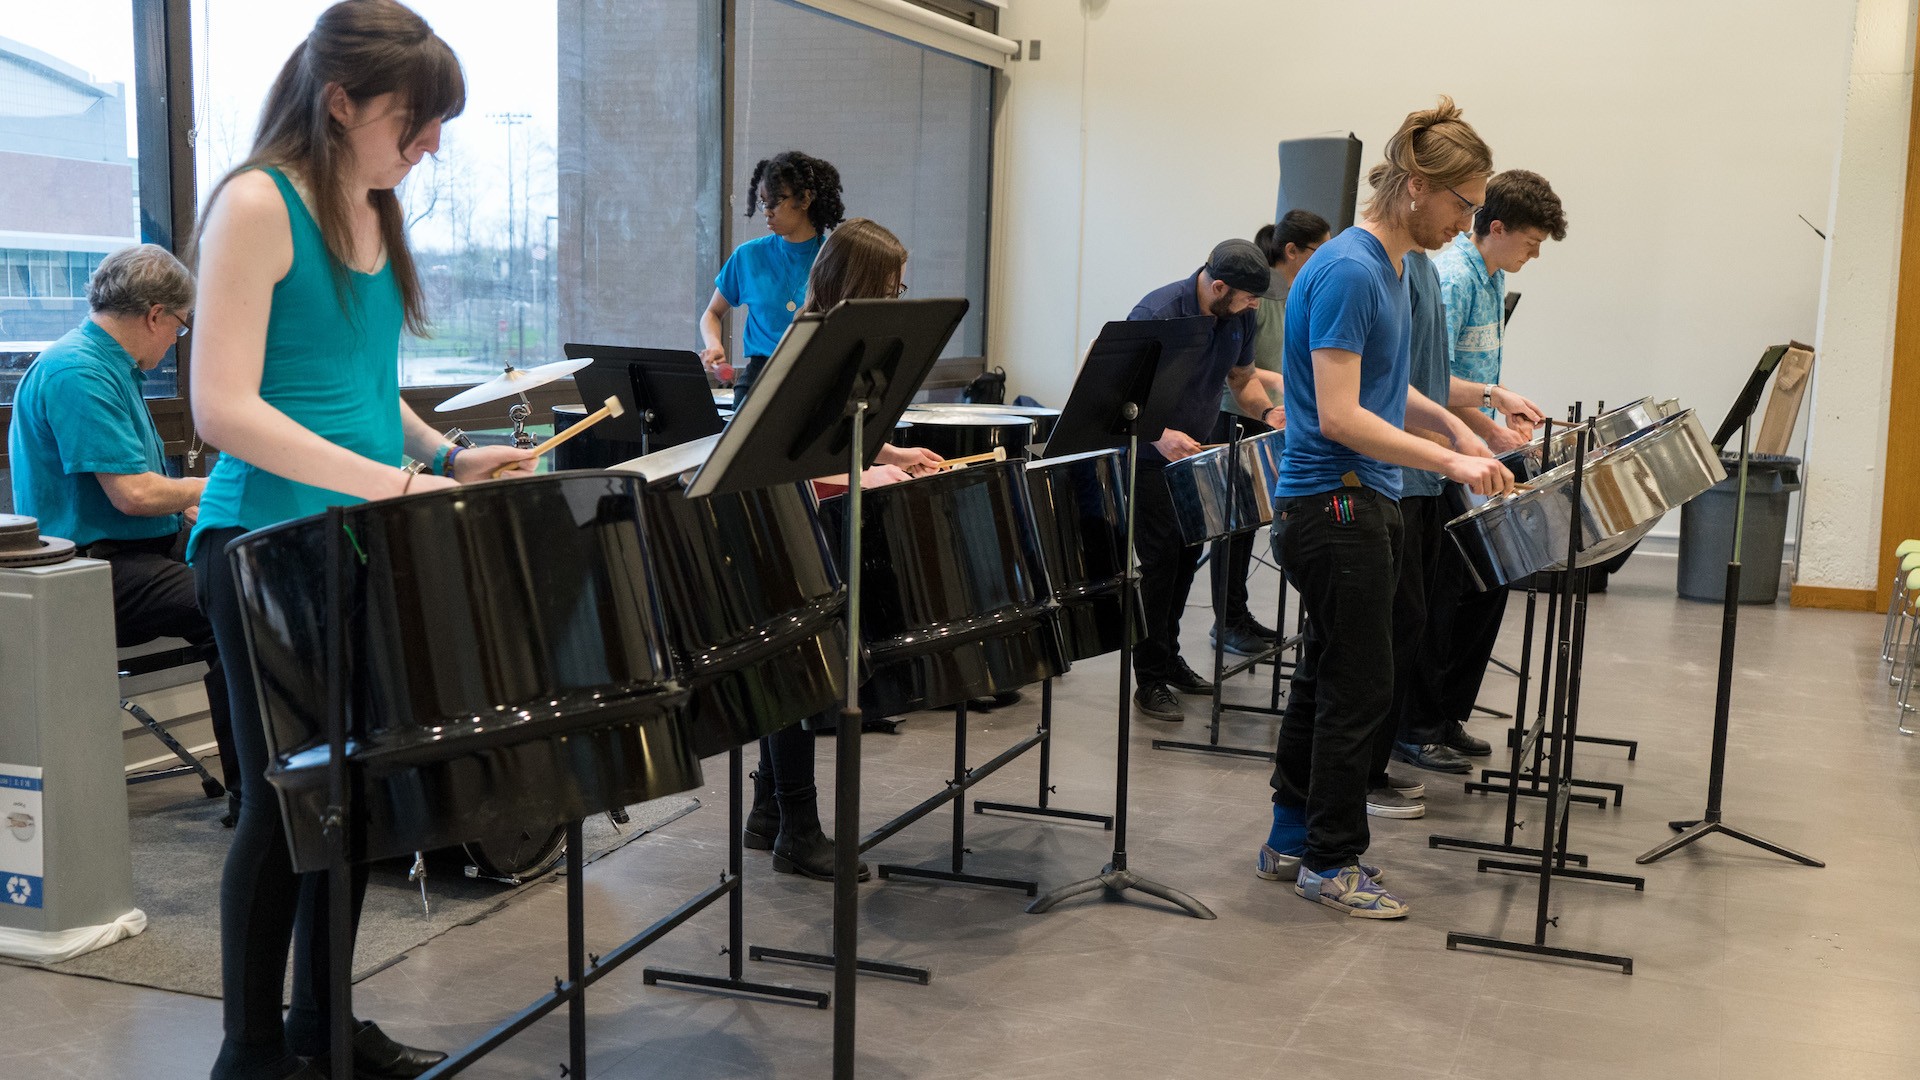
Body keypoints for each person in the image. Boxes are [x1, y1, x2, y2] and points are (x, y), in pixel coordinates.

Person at [187, 4, 535, 1078]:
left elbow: (359, 389)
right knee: (283, 807)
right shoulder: (258, 201)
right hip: (260, 542)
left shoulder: (373, 208)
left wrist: (445, 457)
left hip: (358, 536)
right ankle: (249, 1055)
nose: (428, 144)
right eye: (413, 120)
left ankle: (320, 1028)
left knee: (356, 804)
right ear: (340, 103)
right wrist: (392, 480)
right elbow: (223, 407)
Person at [1255, 98, 1511, 919]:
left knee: (1331, 675)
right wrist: (1450, 458)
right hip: (1334, 505)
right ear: (1414, 188)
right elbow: (1337, 414)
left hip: (1363, 502)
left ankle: (1291, 835)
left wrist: (1451, 422)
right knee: (1359, 688)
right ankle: (1331, 861)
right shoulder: (1352, 268)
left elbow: (1382, 387)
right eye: (1462, 203)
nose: (1466, 220)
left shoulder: (1396, 270)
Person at [7, 244, 242, 820]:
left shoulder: (108, 365)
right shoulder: (78, 372)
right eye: (179, 328)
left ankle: (284, 779)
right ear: (156, 314)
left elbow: (139, 495)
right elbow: (132, 494)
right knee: (236, 607)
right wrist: (207, 492)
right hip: (90, 571)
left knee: (264, 574)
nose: (173, 343)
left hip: (134, 551)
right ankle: (257, 797)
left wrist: (186, 509)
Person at [741, 218, 940, 881]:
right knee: (798, 677)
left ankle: (769, 810)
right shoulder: (802, 349)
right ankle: (797, 828)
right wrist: (875, 473)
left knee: (795, 674)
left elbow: (837, 430)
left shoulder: (837, 345)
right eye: (891, 282)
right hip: (781, 524)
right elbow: (791, 455)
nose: (899, 292)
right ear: (858, 282)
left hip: (806, 515)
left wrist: (892, 454)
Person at [1400, 169, 1568, 772]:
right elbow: (1423, 381)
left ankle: (1447, 715)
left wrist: (1496, 419)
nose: (1535, 253)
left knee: (1487, 588)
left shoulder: (1491, 277)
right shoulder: (1450, 278)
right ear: (1495, 227)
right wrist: (1490, 411)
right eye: (1530, 240)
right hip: (1433, 459)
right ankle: (1416, 726)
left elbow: (1464, 380)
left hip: (1468, 450)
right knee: (1443, 596)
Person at [1126, 240, 1284, 722]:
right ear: (1218, 286)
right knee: (1158, 565)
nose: (1255, 307)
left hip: (1195, 449)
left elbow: (1241, 379)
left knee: (1186, 557)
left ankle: (1169, 657)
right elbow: (1118, 393)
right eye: (1248, 298)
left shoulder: (1237, 315)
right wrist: (1158, 435)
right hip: (1148, 453)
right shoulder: (1157, 313)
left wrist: (1270, 411)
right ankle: (1149, 680)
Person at [1208, 210, 1329, 657]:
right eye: (1318, 250)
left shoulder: (1296, 294)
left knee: (1252, 521)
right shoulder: (1259, 298)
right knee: (1232, 524)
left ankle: (1236, 614)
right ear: (1292, 251)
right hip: (1232, 414)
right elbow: (1238, 369)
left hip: (1267, 413)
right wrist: (1285, 381)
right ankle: (1228, 620)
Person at [698, 150, 845, 402]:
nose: (766, 211)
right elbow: (712, 313)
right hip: (759, 378)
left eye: (775, 202)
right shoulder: (748, 256)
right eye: (763, 202)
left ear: (806, 199)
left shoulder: (834, 258)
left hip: (816, 379)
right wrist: (715, 345)